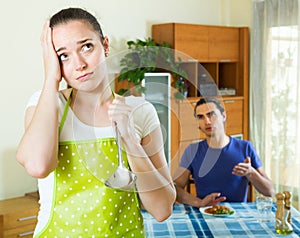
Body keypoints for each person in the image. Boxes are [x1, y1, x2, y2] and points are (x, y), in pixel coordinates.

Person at [16, 7, 176, 237]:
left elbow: (162, 210)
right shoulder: (48, 104)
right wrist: (50, 77)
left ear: (106, 46)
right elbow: (38, 166)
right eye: (64, 55)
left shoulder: (140, 111)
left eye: (86, 47)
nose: (79, 64)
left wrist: (130, 141)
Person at [173, 97, 274, 208]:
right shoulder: (192, 151)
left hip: (238, 216)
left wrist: (251, 173)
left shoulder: (245, 147)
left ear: (223, 116)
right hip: (205, 214)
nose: (207, 121)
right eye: (200, 117)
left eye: (211, 114)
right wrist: (198, 203)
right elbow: (175, 189)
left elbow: (269, 191)